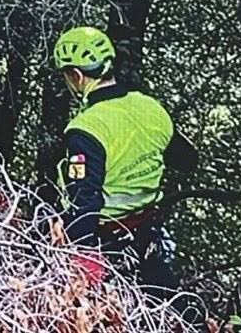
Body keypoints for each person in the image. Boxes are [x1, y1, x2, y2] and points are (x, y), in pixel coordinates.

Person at [52, 26, 199, 309]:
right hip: (147, 234)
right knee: (175, 310)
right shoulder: (150, 108)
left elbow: (84, 200)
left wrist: (82, 261)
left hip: (105, 242)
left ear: (77, 76)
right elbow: (187, 160)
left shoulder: (86, 130)